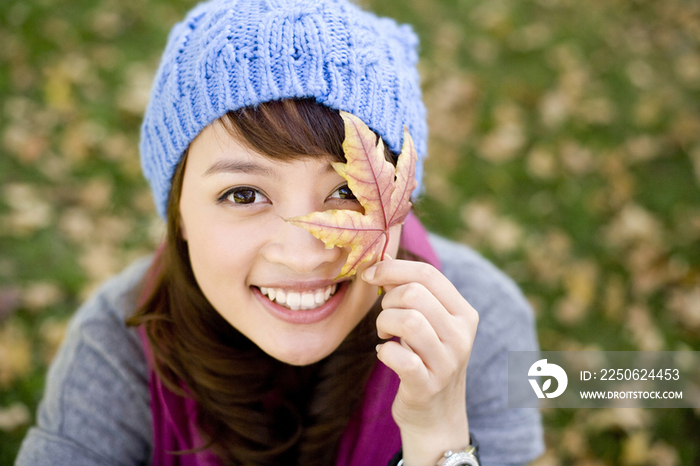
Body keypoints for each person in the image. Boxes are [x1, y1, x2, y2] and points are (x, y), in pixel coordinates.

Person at [15, 0, 544, 465]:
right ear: (177, 213)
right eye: (243, 194)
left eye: (345, 192)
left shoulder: (486, 319)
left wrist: (439, 438)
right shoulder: (117, 345)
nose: (303, 254)